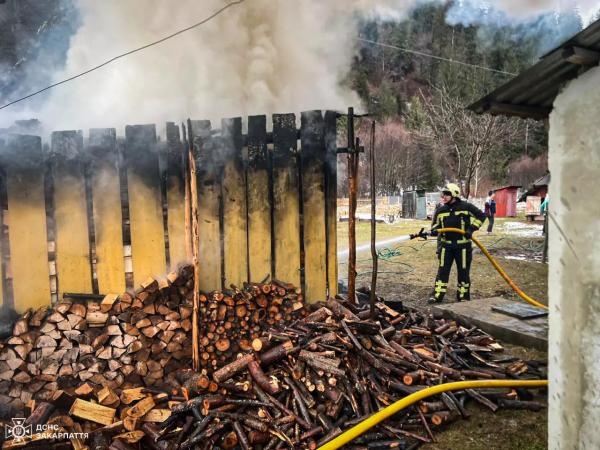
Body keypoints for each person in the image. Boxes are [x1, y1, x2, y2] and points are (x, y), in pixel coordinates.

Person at [428, 183, 486, 304]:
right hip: (446, 247)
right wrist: (432, 232)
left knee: (463, 272)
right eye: (443, 194)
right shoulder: (440, 210)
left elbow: (481, 216)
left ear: (454, 194)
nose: (443, 196)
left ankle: (463, 297)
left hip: (463, 247)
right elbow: (435, 226)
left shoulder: (466, 207)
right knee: (442, 271)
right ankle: (437, 295)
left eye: (446, 194)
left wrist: (471, 229)